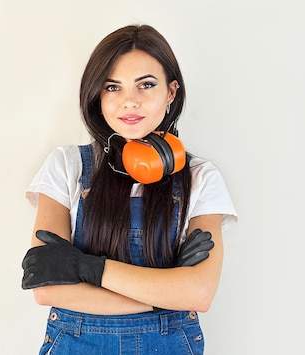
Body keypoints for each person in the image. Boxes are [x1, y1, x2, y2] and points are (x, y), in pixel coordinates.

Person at [20, 24, 237, 354]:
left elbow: (199, 293)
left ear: (171, 92)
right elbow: (48, 289)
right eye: (112, 87)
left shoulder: (201, 177)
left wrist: (86, 268)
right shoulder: (66, 165)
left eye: (146, 85)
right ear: (97, 96)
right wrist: (165, 296)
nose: (129, 102)